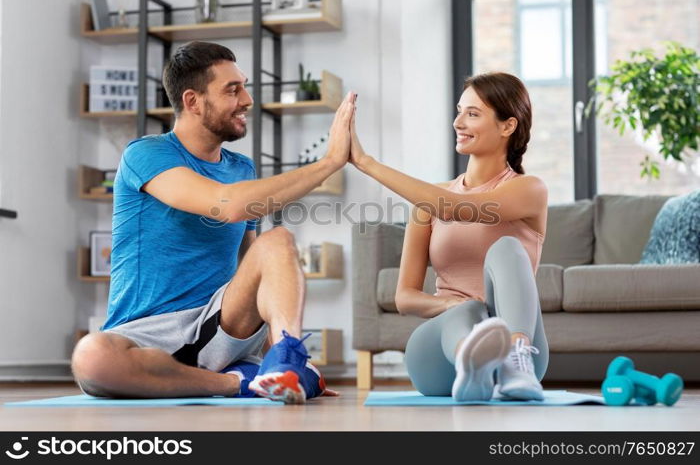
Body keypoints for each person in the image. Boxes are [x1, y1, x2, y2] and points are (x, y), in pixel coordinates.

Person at [71, 41, 355, 404]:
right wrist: (329, 162)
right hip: (144, 333)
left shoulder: (241, 168)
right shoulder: (146, 154)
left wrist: (286, 369)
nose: (247, 100)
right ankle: (236, 383)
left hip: (219, 325)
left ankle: (286, 361)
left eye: (244, 86)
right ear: (193, 101)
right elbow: (226, 205)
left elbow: (259, 268)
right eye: (232, 90)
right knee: (92, 358)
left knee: (277, 240)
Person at [349, 72, 549, 401]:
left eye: (472, 114)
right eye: (459, 111)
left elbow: (459, 208)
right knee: (467, 313)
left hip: (520, 348)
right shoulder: (430, 201)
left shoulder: (529, 189)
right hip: (440, 351)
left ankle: (515, 361)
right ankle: (473, 365)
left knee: (508, 249)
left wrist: (367, 163)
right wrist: (451, 304)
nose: (458, 122)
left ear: (507, 126)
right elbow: (405, 297)